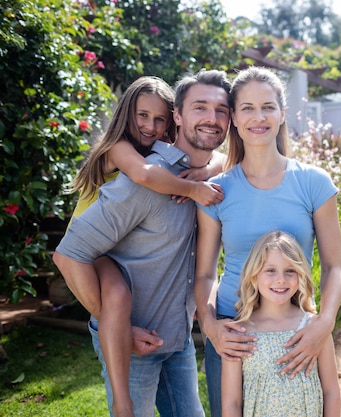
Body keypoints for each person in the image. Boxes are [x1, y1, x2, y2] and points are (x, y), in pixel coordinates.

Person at [53, 69, 232, 417]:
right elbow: (68, 255)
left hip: (177, 337)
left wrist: (206, 174)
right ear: (178, 117)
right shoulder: (144, 180)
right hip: (133, 343)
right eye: (200, 108)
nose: (212, 118)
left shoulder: (215, 178)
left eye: (221, 110)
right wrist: (118, 328)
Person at [194, 66, 341, 417]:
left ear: (282, 114)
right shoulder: (218, 190)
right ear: (233, 117)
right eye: (247, 108)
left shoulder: (314, 183)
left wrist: (323, 323)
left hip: (296, 328)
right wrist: (211, 326)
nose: (258, 117)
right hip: (234, 330)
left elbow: (334, 266)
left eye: (267, 107)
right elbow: (204, 275)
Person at [221, 230, 341, 417]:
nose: (280, 279)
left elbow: (331, 392)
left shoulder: (314, 328)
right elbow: (231, 403)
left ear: (300, 274)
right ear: (253, 275)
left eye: (290, 271)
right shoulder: (239, 333)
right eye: (270, 270)